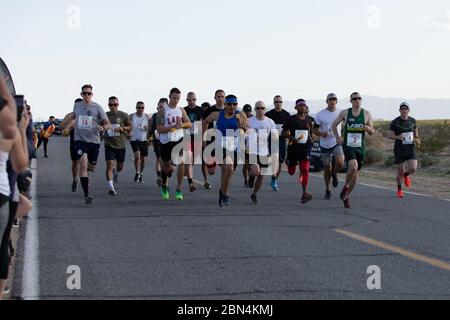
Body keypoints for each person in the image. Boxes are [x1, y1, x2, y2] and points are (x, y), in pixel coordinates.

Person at [0, 103, 29, 300]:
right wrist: (21, 128)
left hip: (6, 190)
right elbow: (21, 163)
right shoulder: (6, 121)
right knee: (2, 246)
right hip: (3, 190)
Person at [64, 84, 111, 204]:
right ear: (81, 94)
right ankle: (87, 194)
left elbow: (108, 123)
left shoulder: (97, 107)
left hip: (94, 141)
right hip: (80, 140)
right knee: (83, 164)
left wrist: (103, 127)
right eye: (84, 93)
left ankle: (84, 177)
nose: (86, 95)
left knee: (91, 167)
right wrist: (67, 127)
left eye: (88, 93)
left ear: (92, 94)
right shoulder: (77, 106)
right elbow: (74, 118)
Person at [203, 94, 248, 207]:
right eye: (229, 104)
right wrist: (204, 137)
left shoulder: (240, 115)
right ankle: (226, 194)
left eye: (235, 104)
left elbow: (247, 130)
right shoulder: (217, 115)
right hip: (220, 146)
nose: (232, 107)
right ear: (225, 104)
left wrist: (242, 127)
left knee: (228, 172)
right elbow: (205, 121)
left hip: (235, 147)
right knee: (229, 167)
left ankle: (222, 191)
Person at [332, 92, 374, 208]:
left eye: (359, 98)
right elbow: (334, 125)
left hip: (360, 147)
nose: (357, 100)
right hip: (348, 145)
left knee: (355, 175)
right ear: (351, 101)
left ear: (361, 100)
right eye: (354, 99)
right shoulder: (345, 113)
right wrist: (337, 137)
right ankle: (345, 186)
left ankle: (346, 196)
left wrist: (368, 128)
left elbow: (372, 131)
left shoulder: (366, 114)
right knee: (353, 166)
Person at [157, 88, 191, 201]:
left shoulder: (181, 110)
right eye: (174, 98)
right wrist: (173, 128)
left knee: (181, 162)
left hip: (178, 140)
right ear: (169, 97)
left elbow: (189, 124)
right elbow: (159, 129)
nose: (176, 100)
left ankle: (179, 189)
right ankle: (164, 186)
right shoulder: (162, 111)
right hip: (165, 141)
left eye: (178, 98)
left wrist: (181, 126)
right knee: (167, 168)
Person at [282, 99, 315, 204]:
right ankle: (290, 164)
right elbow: (283, 133)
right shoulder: (291, 119)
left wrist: (311, 139)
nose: (302, 107)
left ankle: (304, 194)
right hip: (293, 149)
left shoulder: (310, 120)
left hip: (305, 149)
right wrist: (291, 138)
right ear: (296, 107)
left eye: (304, 105)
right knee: (291, 172)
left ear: (306, 107)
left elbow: (310, 132)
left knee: (305, 169)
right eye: (300, 105)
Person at [313, 93, 345, 200]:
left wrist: (343, 137)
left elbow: (346, 126)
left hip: (336, 142)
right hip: (324, 144)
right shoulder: (320, 114)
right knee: (327, 167)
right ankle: (328, 190)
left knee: (340, 162)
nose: (332, 101)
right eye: (330, 99)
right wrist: (322, 134)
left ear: (336, 101)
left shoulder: (341, 113)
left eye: (334, 99)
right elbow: (314, 129)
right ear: (327, 101)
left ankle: (334, 174)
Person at [388, 102, 420, 198]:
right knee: (400, 172)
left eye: (406, 108)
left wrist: (417, 137)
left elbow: (415, 129)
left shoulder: (412, 120)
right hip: (399, 149)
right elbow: (389, 135)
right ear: (400, 110)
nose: (404, 110)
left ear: (409, 110)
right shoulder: (395, 122)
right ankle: (399, 189)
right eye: (402, 108)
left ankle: (406, 175)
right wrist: (398, 137)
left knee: (413, 168)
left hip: (410, 148)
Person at [247, 101, 276, 204]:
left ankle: (254, 194)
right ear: (255, 110)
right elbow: (243, 133)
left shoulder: (270, 122)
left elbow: (274, 138)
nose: (260, 110)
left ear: (265, 110)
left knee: (261, 176)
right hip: (252, 151)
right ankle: (251, 176)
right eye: (258, 108)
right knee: (256, 171)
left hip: (265, 151)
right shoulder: (249, 121)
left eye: (262, 108)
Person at [104, 96, 131, 195]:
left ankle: (115, 171)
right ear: (108, 105)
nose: (113, 107)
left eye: (115, 104)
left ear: (118, 105)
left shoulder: (123, 115)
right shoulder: (105, 115)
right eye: (111, 105)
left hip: (120, 145)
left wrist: (122, 128)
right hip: (109, 144)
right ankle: (111, 187)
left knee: (120, 167)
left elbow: (130, 127)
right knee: (109, 164)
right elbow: (100, 125)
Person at [201, 90, 226, 189]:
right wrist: (203, 138)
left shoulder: (228, 110)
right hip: (211, 140)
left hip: (224, 141)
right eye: (218, 96)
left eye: (222, 96)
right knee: (211, 172)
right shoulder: (209, 111)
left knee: (226, 165)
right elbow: (204, 123)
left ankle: (223, 186)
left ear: (225, 98)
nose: (220, 98)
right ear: (215, 98)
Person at [265, 95, 290, 191]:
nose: (278, 103)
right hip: (271, 140)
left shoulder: (286, 114)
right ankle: (273, 175)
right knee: (273, 160)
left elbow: (289, 129)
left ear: (282, 103)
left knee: (279, 162)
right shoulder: (269, 114)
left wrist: (287, 133)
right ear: (273, 103)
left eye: (280, 102)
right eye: (276, 102)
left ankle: (274, 179)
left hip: (282, 140)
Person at [61, 98, 83, 192]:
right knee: (75, 163)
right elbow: (62, 126)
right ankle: (75, 179)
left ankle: (85, 180)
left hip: (86, 141)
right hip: (74, 141)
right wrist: (69, 123)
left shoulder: (87, 114)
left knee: (85, 163)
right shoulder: (70, 115)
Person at [184, 92, 204, 192]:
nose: (191, 101)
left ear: (196, 100)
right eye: (189, 100)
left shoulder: (200, 110)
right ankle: (190, 183)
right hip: (186, 137)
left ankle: (185, 171)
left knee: (192, 161)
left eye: (193, 99)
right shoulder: (184, 110)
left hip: (197, 138)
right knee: (188, 159)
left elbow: (203, 123)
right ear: (186, 100)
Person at [130, 101, 151, 184]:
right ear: (136, 108)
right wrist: (127, 133)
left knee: (143, 159)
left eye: (142, 108)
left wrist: (148, 129)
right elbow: (126, 124)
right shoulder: (132, 116)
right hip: (134, 139)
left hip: (144, 140)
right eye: (139, 107)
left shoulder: (147, 116)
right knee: (137, 155)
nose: (141, 109)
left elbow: (152, 126)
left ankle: (141, 174)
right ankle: (137, 172)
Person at [150, 98, 167, 187]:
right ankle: (159, 176)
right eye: (159, 107)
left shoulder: (170, 116)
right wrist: (148, 137)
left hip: (169, 141)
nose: (161, 109)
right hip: (158, 140)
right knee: (159, 158)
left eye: (163, 107)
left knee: (168, 161)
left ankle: (167, 170)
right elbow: (150, 128)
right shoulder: (154, 116)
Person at [242, 104, 253, 187]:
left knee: (250, 164)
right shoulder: (241, 118)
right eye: (246, 112)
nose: (247, 113)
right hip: (243, 143)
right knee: (245, 164)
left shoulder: (253, 119)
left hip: (251, 144)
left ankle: (249, 178)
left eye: (249, 112)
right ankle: (246, 179)